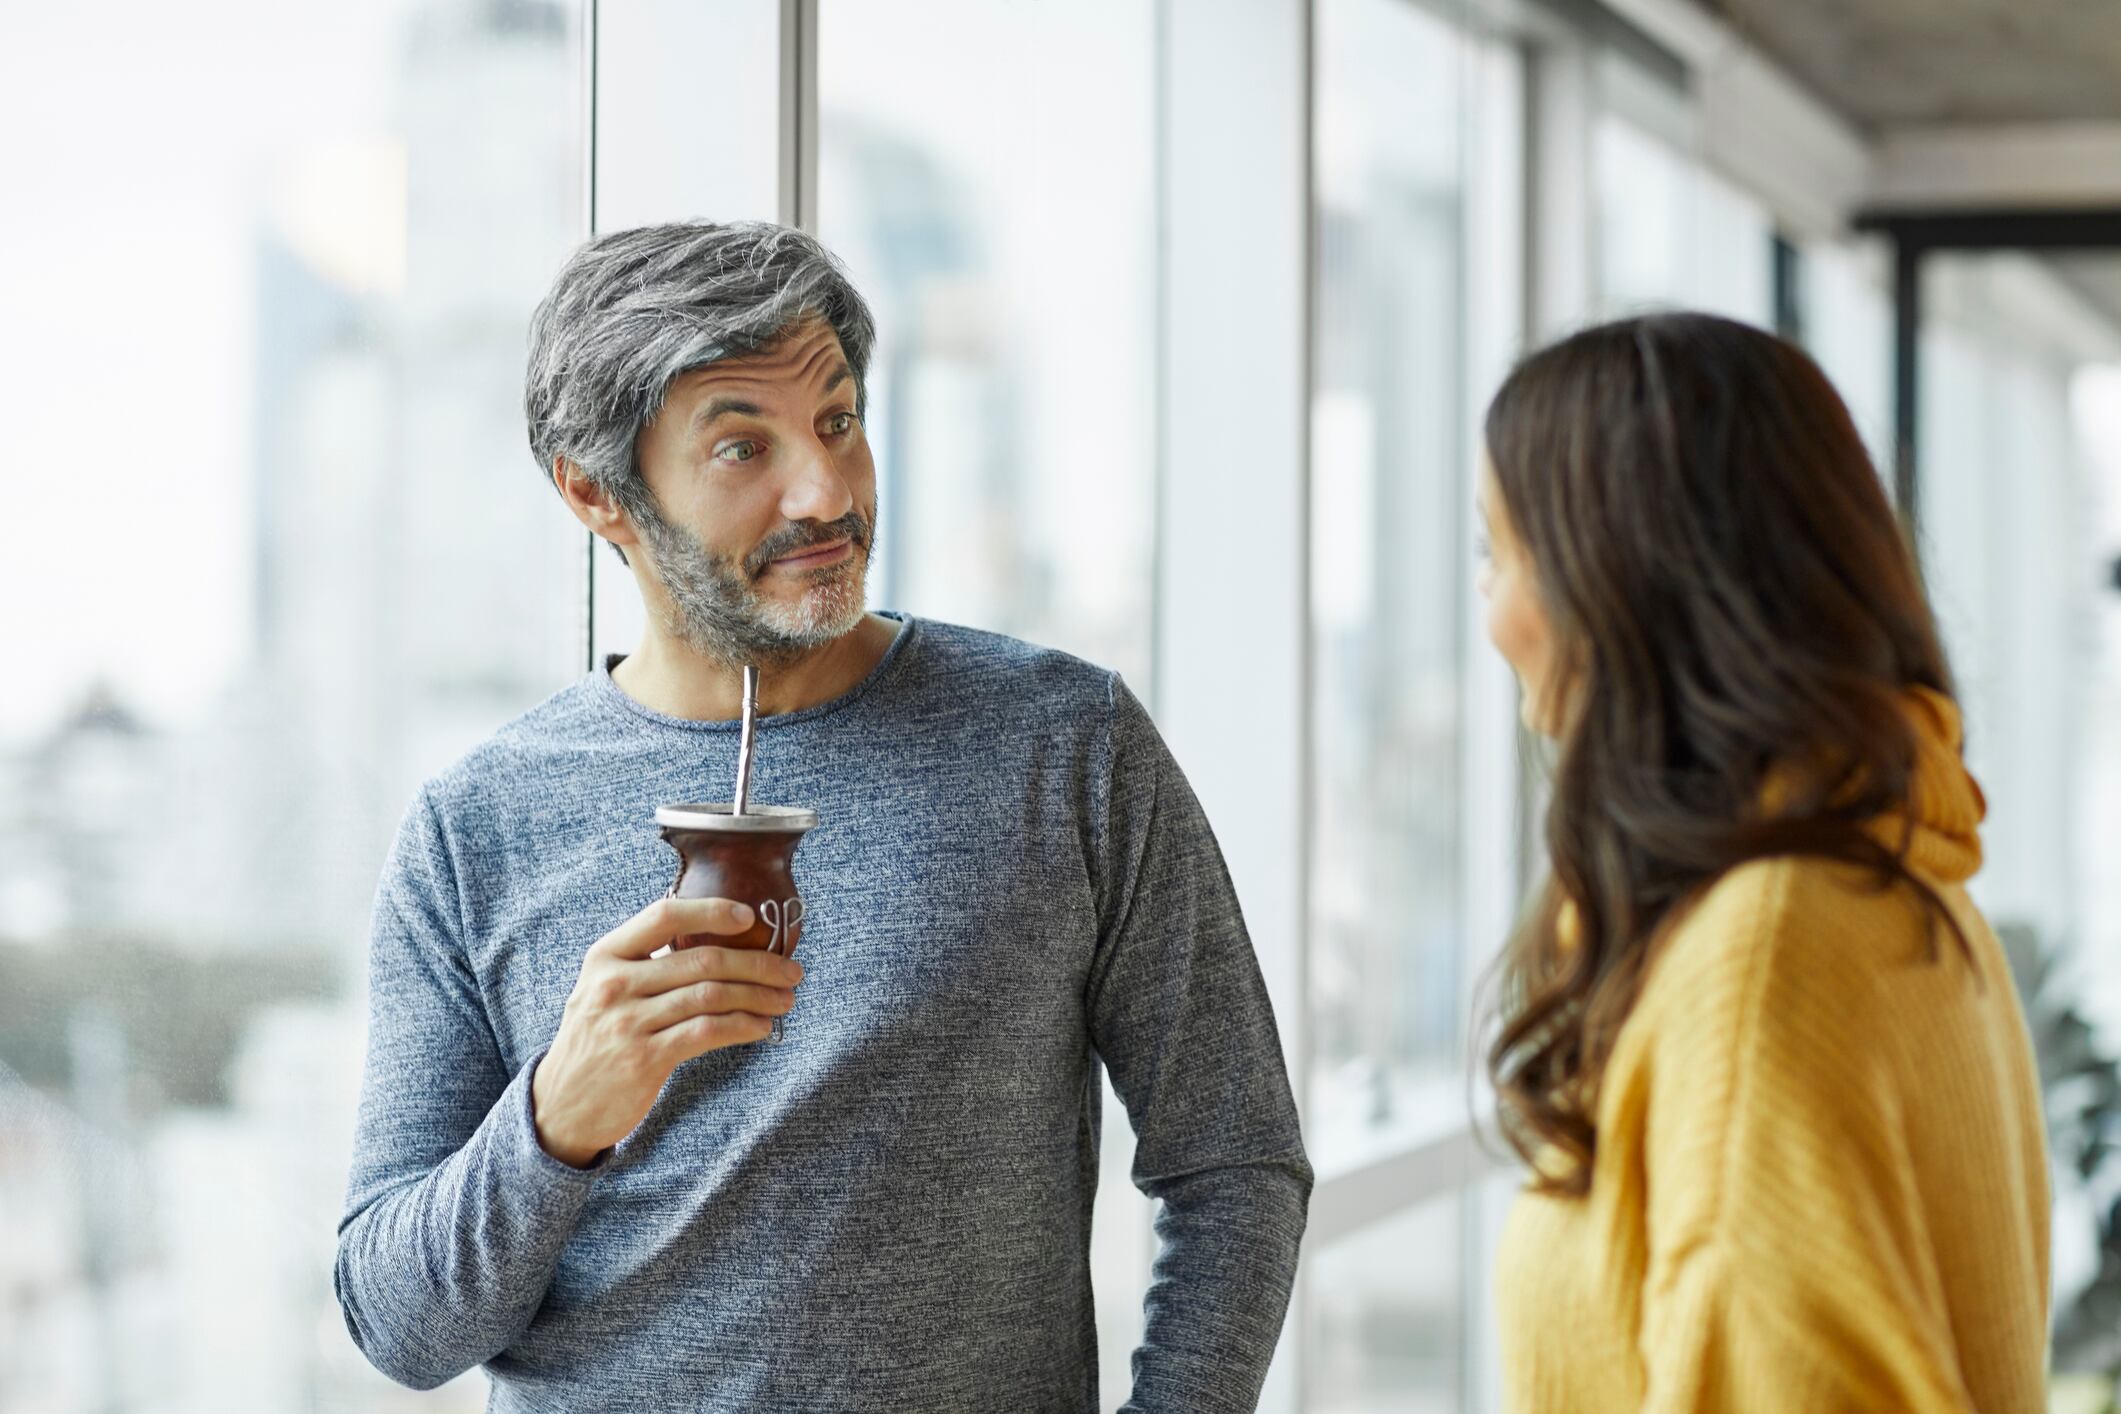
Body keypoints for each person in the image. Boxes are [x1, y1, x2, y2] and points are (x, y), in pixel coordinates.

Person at [332, 219, 1310, 1412]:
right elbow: (396, 1326)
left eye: (837, 421)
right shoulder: (473, 827)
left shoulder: (1066, 743)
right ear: (599, 494)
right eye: (744, 448)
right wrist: (559, 1113)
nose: (827, 490)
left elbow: (1239, 1162)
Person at [1476, 313, 2050, 1411]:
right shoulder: (1891, 880)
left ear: (1624, 579)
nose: (1494, 611)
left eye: (1501, 553)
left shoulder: (1764, 959)